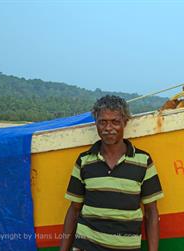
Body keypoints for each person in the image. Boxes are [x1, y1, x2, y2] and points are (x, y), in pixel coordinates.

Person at [60, 95, 164, 251]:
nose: (108, 128)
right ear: (96, 124)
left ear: (125, 122)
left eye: (115, 122)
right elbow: (74, 210)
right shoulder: (84, 161)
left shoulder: (143, 161)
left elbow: (151, 213)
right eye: (103, 122)